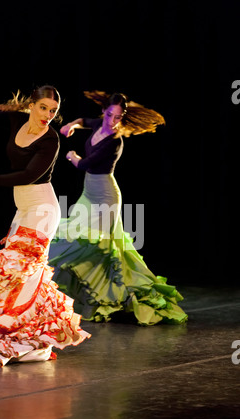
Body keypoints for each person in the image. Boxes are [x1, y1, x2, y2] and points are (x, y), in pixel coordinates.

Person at [0, 85, 91, 367]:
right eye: (43, 108)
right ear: (31, 106)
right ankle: (30, 337)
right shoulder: (17, 119)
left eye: (53, 111)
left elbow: (29, 174)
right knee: (18, 277)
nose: (47, 115)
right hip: (23, 208)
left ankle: (24, 336)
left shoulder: (51, 141)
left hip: (43, 209)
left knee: (24, 272)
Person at [48, 90, 187, 326]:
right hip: (88, 193)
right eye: (110, 115)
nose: (113, 121)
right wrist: (72, 124)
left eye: (118, 117)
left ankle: (110, 298)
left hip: (106, 196)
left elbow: (84, 164)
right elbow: (84, 120)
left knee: (104, 247)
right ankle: (84, 294)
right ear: (104, 111)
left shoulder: (114, 141)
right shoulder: (98, 125)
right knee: (76, 238)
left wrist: (71, 155)